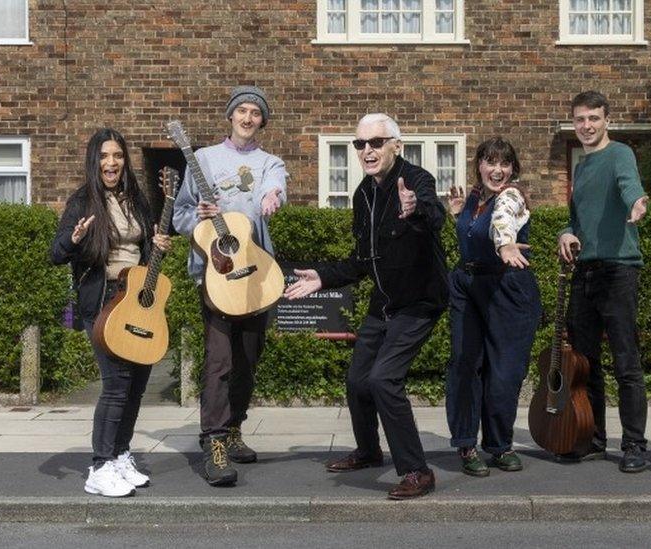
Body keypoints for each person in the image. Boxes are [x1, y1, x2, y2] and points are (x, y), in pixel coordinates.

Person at [284, 113, 448, 500]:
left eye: (376, 142)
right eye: (360, 144)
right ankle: (370, 451)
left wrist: (417, 208)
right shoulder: (363, 194)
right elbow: (362, 261)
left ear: (396, 145)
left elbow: (435, 215)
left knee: (384, 380)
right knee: (358, 379)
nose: (367, 151)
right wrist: (323, 276)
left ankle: (417, 471)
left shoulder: (416, 179)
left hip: (419, 301)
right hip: (384, 303)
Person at [172, 85, 287, 486]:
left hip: (256, 275)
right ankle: (215, 441)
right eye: (242, 110)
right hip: (219, 275)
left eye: (256, 112)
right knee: (219, 360)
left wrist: (273, 195)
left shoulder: (270, 162)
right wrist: (200, 215)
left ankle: (234, 426)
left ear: (262, 122)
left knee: (247, 361)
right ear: (230, 116)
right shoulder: (202, 159)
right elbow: (180, 215)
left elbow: (276, 187)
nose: (248, 117)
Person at [50, 128, 171, 497]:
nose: (111, 162)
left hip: (137, 302)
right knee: (116, 385)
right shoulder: (83, 201)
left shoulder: (135, 199)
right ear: (94, 160)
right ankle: (100, 466)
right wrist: (74, 239)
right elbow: (56, 253)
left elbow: (146, 255)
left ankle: (120, 453)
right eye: (104, 156)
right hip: (103, 303)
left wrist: (158, 245)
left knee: (136, 387)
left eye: (117, 155)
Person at [557, 90, 651, 473]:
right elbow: (578, 220)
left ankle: (634, 445)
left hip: (618, 270)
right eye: (580, 119)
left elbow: (630, 185)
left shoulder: (620, 154)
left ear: (606, 120)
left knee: (626, 361)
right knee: (586, 363)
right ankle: (594, 438)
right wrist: (566, 232)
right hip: (586, 272)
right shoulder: (581, 166)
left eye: (593, 119)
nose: (586, 126)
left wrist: (637, 202)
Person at [445, 137, 541, 477]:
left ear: (513, 169)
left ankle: (500, 445)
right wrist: (459, 215)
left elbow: (503, 221)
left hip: (508, 288)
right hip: (468, 285)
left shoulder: (511, 197)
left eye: (504, 164)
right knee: (464, 362)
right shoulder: (473, 198)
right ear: (479, 166)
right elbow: (474, 231)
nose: (497, 170)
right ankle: (467, 443)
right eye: (490, 162)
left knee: (505, 372)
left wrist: (504, 245)